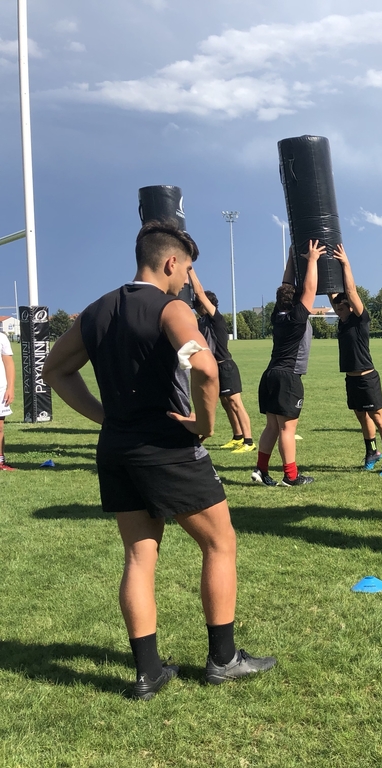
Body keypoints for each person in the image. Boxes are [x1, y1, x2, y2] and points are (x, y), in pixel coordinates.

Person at [41, 220, 275, 701]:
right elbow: (206, 368)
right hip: (166, 448)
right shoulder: (172, 309)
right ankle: (223, 659)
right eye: (186, 269)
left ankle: (148, 673)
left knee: (139, 557)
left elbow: (54, 370)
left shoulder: (96, 311)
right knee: (220, 543)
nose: (186, 278)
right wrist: (205, 424)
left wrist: (104, 416)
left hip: (117, 449)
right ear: (171, 263)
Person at [252, 242, 322, 487]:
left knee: (272, 426)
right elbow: (310, 288)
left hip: (269, 374)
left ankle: (261, 470)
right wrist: (312, 259)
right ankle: (291, 476)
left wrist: (292, 257)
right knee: (286, 430)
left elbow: (286, 285)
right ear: (295, 303)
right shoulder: (296, 319)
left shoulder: (277, 316)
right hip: (287, 377)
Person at [328, 243, 382, 476]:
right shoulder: (343, 320)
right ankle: (372, 452)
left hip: (367, 377)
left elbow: (351, 293)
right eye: (336, 308)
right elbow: (333, 294)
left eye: (341, 307)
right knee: (362, 416)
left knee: (378, 417)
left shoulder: (360, 319)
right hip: (351, 379)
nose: (337, 310)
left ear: (350, 307)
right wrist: (323, 264)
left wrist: (345, 263)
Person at [189, 270, 255, 452]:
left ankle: (249, 441)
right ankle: (238, 436)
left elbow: (200, 293)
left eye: (198, 305)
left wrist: (190, 272)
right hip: (214, 368)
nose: (196, 307)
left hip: (225, 366)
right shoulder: (201, 321)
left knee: (235, 402)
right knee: (226, 404)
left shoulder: (216, 318)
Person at [0, 329, 14, 470]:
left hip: (1, 390)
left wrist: (10, 388)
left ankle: (0, 460)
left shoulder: (2, 338)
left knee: (0, 427)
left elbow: (8, 364)